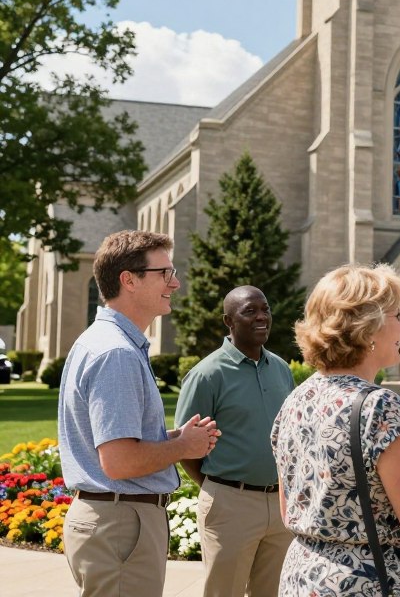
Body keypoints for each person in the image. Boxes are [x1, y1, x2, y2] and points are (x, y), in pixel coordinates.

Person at [271, 263, 400, 596]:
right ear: (368, 326)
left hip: (303, 579)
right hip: (372, 584)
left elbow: (290, 510)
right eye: (397, 315)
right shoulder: (379, 407)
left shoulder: (295, 400)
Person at [58, 230, 220, 597]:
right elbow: (119, 461)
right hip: (122, 524)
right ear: (128, 280)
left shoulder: (104, 342)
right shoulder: (117, 353)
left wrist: (175, 439)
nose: (175, 283)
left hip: (118, 522)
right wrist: (183, 447)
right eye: (164, 273)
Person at [174, 285, 295, 596]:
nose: (261, 317)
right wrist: (217, 488)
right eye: (249, 311)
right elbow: (185, 446)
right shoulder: (207, 374)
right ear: (228, 321)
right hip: (230, 504)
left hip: (279, 505)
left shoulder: (281, 369)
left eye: (265, 309)